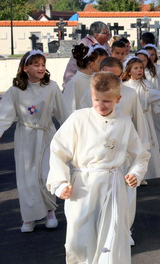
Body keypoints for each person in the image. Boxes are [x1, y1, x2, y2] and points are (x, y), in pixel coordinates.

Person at [47, 72, 150, 264]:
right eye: (97, 99)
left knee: (111, 240)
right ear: (91, 94)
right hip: (82, 187)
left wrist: (136, 172)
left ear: (118, 99)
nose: (101, 105)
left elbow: (140, 154)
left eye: (107, 101)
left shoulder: (124, 122)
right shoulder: (78, 119)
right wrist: (60, 183)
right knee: (78, 241)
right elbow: (58, 150)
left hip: (113, 186)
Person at [0, 50, 69, 233]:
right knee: (27, 178)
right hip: (26, 137)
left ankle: (50, 212)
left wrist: (73, 131)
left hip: (47, 134)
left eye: (43, 65)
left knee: (47, 174)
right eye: (36, 65)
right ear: (25, 68)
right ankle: (28, 218)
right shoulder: (15, 91)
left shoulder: (52, 87)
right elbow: (4, 113)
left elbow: (63, 112)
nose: (41, 68)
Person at [80, 56, 149, 244]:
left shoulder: (130, 93)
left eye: (117, 76)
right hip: (98, 155)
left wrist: (142, 149)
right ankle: (100, 231)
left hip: (123, 151)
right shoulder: (91, 95)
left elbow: (138, 123)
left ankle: (125, 230)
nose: (113, 80)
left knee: (127, 192)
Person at [123, 57, 160, 182]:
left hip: (144, 119)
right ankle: (130, 172)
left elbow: (151, 94)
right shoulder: (124, 86)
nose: (139, 70)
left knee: (143, 145)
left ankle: (142, 174)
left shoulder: (146, 85)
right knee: (131, 146)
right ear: (129, 71)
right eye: (136, 68)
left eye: (141, 68)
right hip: (129, 120)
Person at [63, 44, 108, 114]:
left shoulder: (97, 78)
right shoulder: (74, 82)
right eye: (99, 62)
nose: (102, 65)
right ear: (91, 64)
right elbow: (68, 109)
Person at [63, 21, 111, 86]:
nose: (109, 35)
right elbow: (73, 66)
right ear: (96, 34)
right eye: (106, 33)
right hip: (82, 81)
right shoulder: (84, 44)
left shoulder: (105, 43)